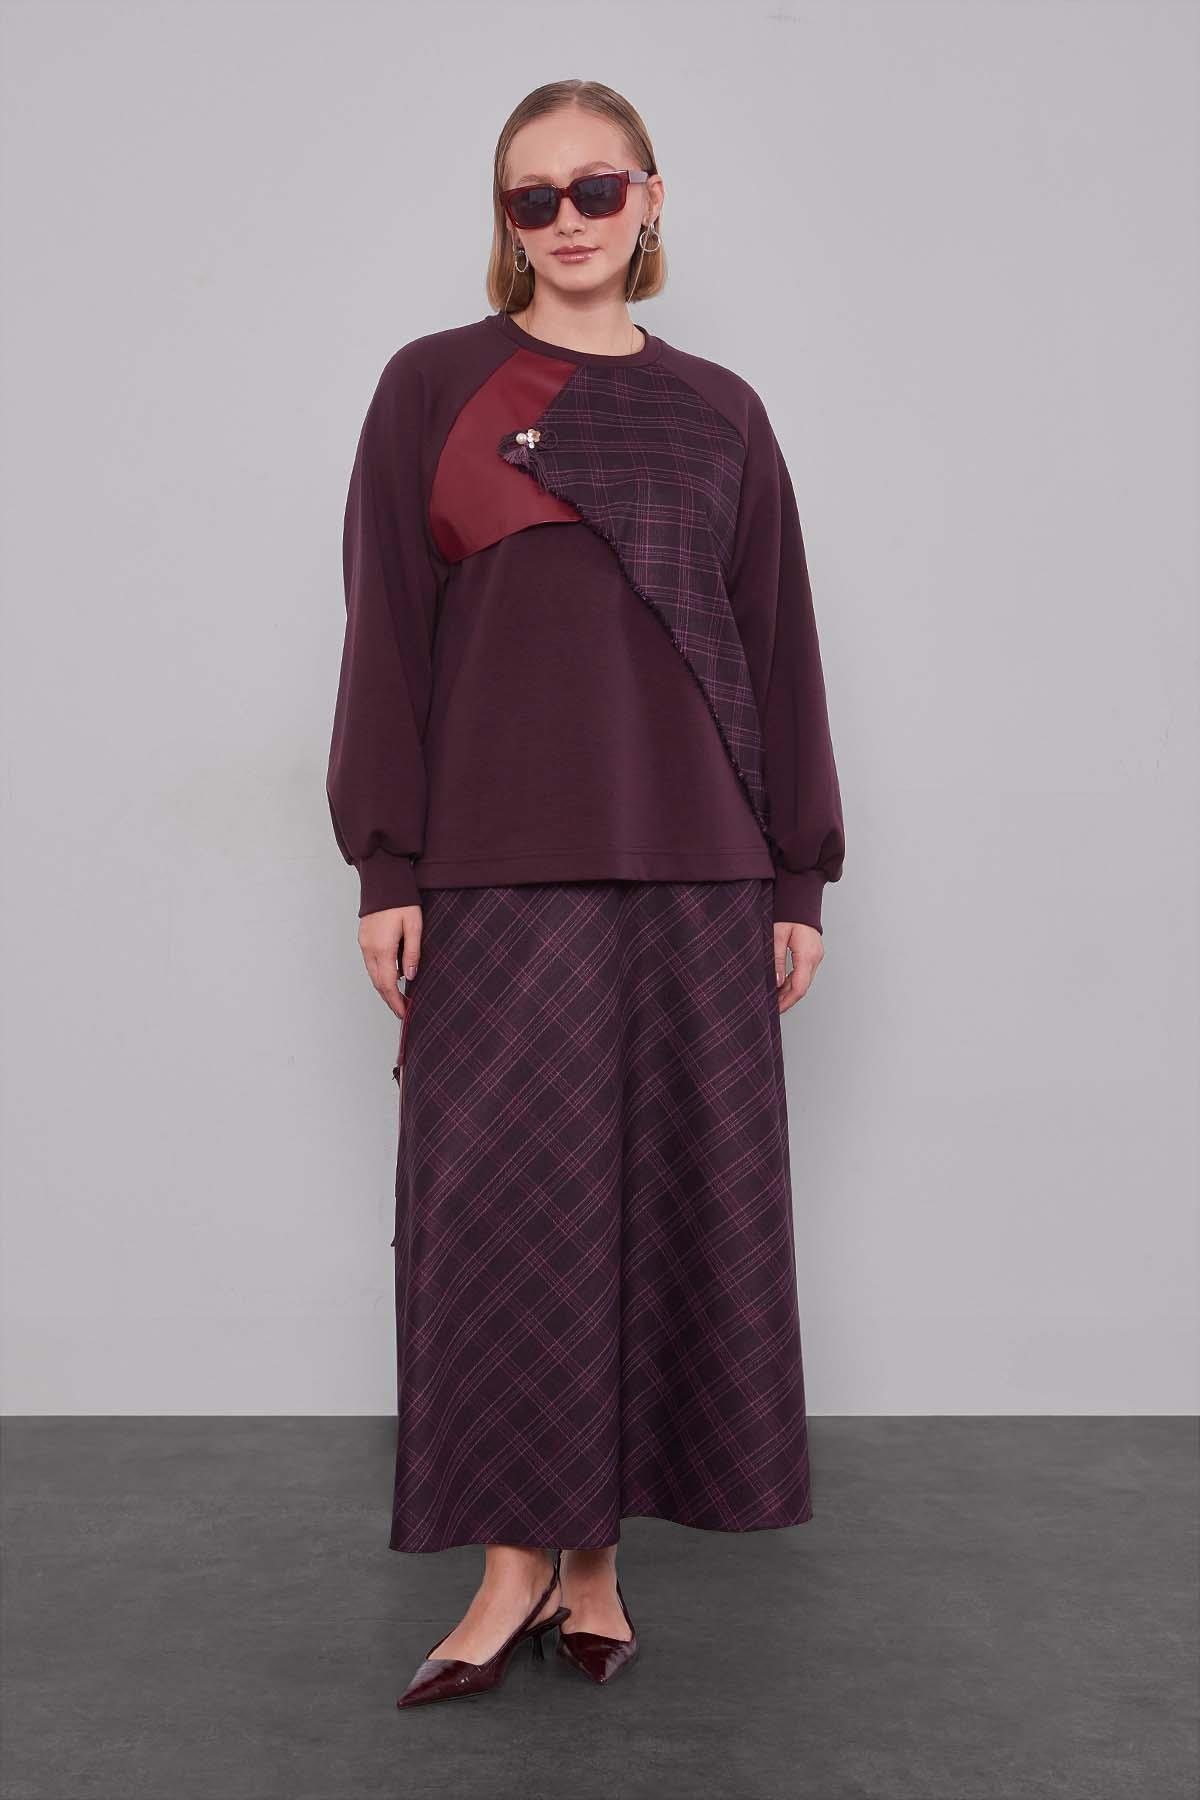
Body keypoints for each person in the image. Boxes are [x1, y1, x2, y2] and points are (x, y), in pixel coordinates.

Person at [325, 78, 846, 1710]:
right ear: (505, 220)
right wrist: (387, 861)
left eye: (595, 189)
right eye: (532, 197)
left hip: (700, 864)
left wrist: (798, 871)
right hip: (495, 863)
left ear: (650, 199)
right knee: (501, 1222)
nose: (566, 221)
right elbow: (385, 630)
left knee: (662, 1214)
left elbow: (776, 648)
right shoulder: (433, 387)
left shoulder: (720, 411)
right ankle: (509, 1567)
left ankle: (600, 1566)